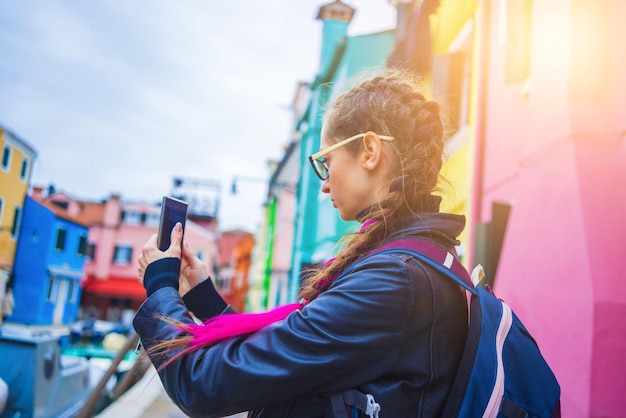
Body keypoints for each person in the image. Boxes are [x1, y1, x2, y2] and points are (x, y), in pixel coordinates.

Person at [134, 69, 468, 418]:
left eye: (326, 162)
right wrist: (202, 297)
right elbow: (281, 357)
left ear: (369, 151)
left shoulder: (394, 281)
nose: (324, 185)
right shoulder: (414, 263)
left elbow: (205, 385)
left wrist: (160, 285)